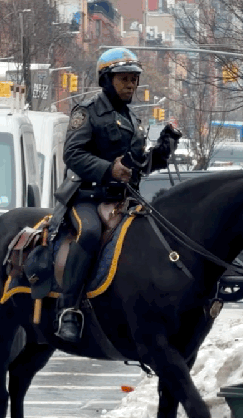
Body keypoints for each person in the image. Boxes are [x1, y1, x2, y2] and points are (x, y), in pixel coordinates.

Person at [55, 47, 179, 343]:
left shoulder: (133, 119)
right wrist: (108, 169)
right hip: (88, 198)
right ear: (106, 80)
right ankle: (68, 309)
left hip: (125, 199)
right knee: (88, 234)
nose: (131, 85)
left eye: (134, 79)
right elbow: (72, 153)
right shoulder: (87, 112)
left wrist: (163, 151)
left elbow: (137, 166)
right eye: (124, 79)